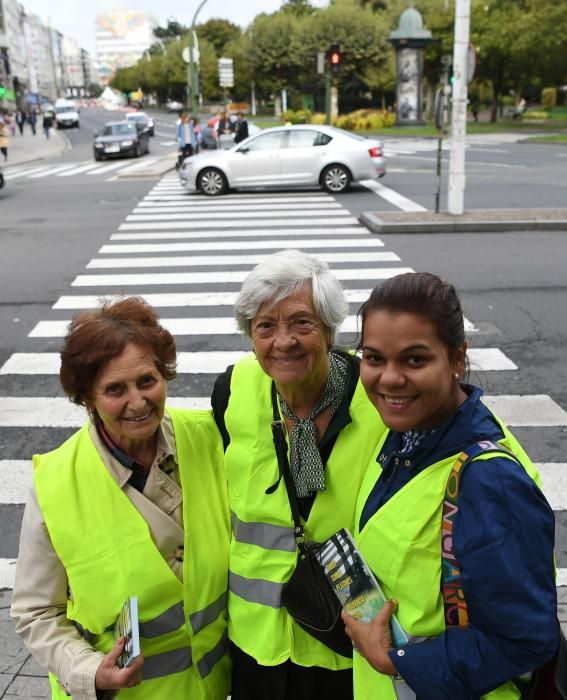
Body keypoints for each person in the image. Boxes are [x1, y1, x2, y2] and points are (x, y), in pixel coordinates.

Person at [342, 272, 559, 700]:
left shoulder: (489, 481)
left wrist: (395, 661)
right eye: (374, 358)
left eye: (414, 360)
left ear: (457, 358)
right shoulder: (407, 433)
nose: (389, 379)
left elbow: (525, 638)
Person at [11, 297, 231, 699]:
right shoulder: (57, 482)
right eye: (115, 389)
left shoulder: (208, 438)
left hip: (215, 688)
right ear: (87, 398)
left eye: (147, 380)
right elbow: (36, 611)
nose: (138, 401)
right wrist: (89, 671)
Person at [211, 250, 386, 700]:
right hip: (258, 644)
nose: (282, 341)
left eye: (301, 323)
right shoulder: (232, 390)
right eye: (264, 326)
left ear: (329, 329)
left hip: (345, 642)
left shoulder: (379, 398)